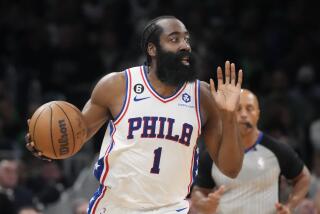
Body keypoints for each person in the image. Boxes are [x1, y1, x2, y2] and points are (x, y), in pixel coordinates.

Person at [26, 15, 244, 214]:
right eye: (174, 39)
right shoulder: (117, 86)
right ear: (152, 49)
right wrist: (48, 146)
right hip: (115, 208)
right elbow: (77, 135)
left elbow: (230, 169)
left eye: (186, 39)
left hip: (171, 209)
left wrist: (228, 115)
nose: (185, 46)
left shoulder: (203, 96)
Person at [191, 89, 311, 214]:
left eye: (249, 108)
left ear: (258, 114)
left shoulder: (276, 149)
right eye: (238, 109)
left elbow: (304, 177)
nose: (243, 114)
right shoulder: (213, 154)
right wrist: (204, 204)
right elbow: (198, 191)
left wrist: (290, 206)